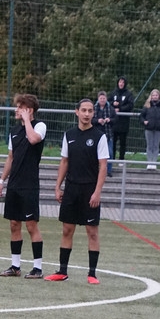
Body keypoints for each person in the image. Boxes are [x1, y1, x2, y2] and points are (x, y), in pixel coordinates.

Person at [46, 98, 109, 284]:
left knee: (92, 232)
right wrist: (58, 186)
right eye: (84, 110)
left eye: (90, 111)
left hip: (89, 189)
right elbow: (64, 161)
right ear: (77, 112)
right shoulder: (69, 135)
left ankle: (92, 274)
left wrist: (97, 192)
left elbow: (103, 166)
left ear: (93, 113)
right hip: (71, 189)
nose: (87, 114)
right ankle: (62, 271)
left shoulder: (99, 136)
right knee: (67, 230)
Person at [0, 94, 46, 279]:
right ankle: (15, 266)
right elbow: (11, 157)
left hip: (29, 185)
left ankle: (37, 268)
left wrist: (27, 121)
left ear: (29, 110)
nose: (16, 110)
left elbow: (33, 139)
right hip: (14, 184)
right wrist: (2, 180)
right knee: (14, 224)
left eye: (20, 107)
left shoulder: (39, 126)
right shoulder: (14, 131)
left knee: (31, 225)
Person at [139, 88, 160, 169]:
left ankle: (154, 162)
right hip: (149, 128)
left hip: (159, 129)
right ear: (151, 96)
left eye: (156, 95)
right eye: (153, 95)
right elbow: (141, 116)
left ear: (159, 96)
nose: (155, 96)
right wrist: (144, 121)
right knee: (149, 145)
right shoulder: (147, 106)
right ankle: (149, 162)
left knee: (156, 146)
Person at [108, 76, 134, 161]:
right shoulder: (113, 92)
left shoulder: (129, 94)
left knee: (123, 142)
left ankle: (121, 159)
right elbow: (108, 102)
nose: (121, 84)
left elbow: (130, 105)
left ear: (125, 83)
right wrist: (113, 104)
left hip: (124, 122)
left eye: (123, 82)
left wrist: (120, 109)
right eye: (120, 82)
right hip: (114, 122)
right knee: (113, 141)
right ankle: (112, 158)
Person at [93, 90, 116, 176]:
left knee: (109, 153)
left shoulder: (111, 109)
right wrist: (97, 121)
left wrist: (109, 120)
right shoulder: (94, 108)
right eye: (101, 98)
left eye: (104, 98)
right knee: (95, 153)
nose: (102, 100)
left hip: (108, 134)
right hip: (96, 134)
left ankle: (108, 171)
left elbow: (115, 119)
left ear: (106, 99)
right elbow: (90, 120)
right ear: (98, 99)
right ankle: (95, 170)